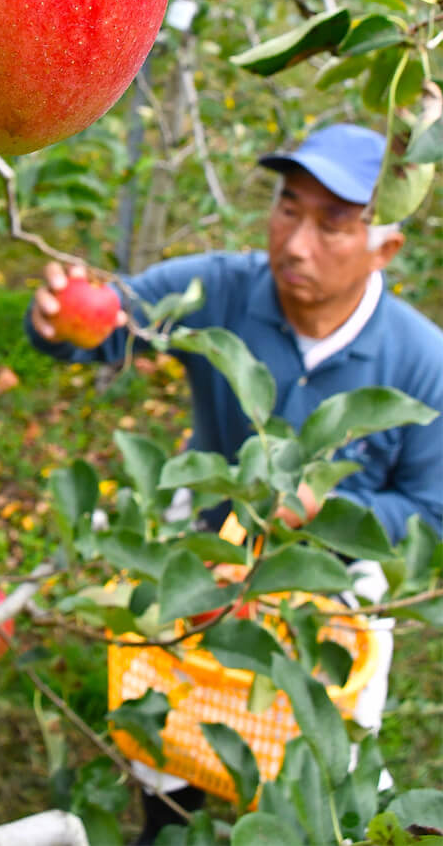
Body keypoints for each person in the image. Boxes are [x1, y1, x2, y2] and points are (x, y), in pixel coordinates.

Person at [26, 121, 443, 843]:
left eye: (334, 224)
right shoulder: (221, 290)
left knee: (320, 750)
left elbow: (430, 518)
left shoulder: (421, 361)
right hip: (208, 563)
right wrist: (61, 318)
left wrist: (326, 508)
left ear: (386, 247)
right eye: (288, 208)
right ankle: (163, 819)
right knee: (171, 706)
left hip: (335, 592)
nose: (296, 242)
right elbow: (113, 322)